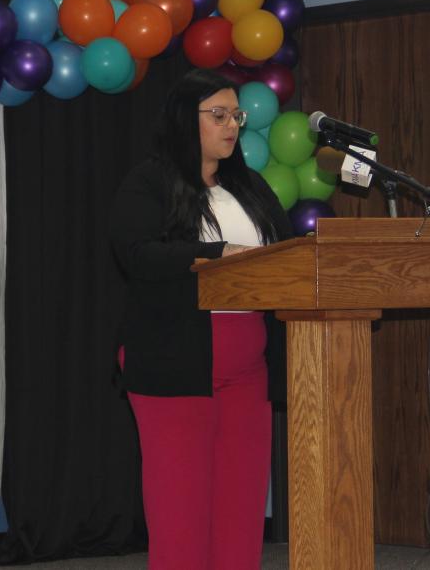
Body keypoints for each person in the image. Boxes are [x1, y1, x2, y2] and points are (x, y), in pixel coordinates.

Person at [110, 68, 292, 570]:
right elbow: (136, 253)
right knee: (181, 514)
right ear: (182, 120)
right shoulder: (151, 181)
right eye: (218, 115)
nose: (231, 125)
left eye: (236, 115)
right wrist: (215, 254)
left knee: (240, 510)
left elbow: (286, 254)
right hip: (174, 362)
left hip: (248, 370)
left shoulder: (250, 187)